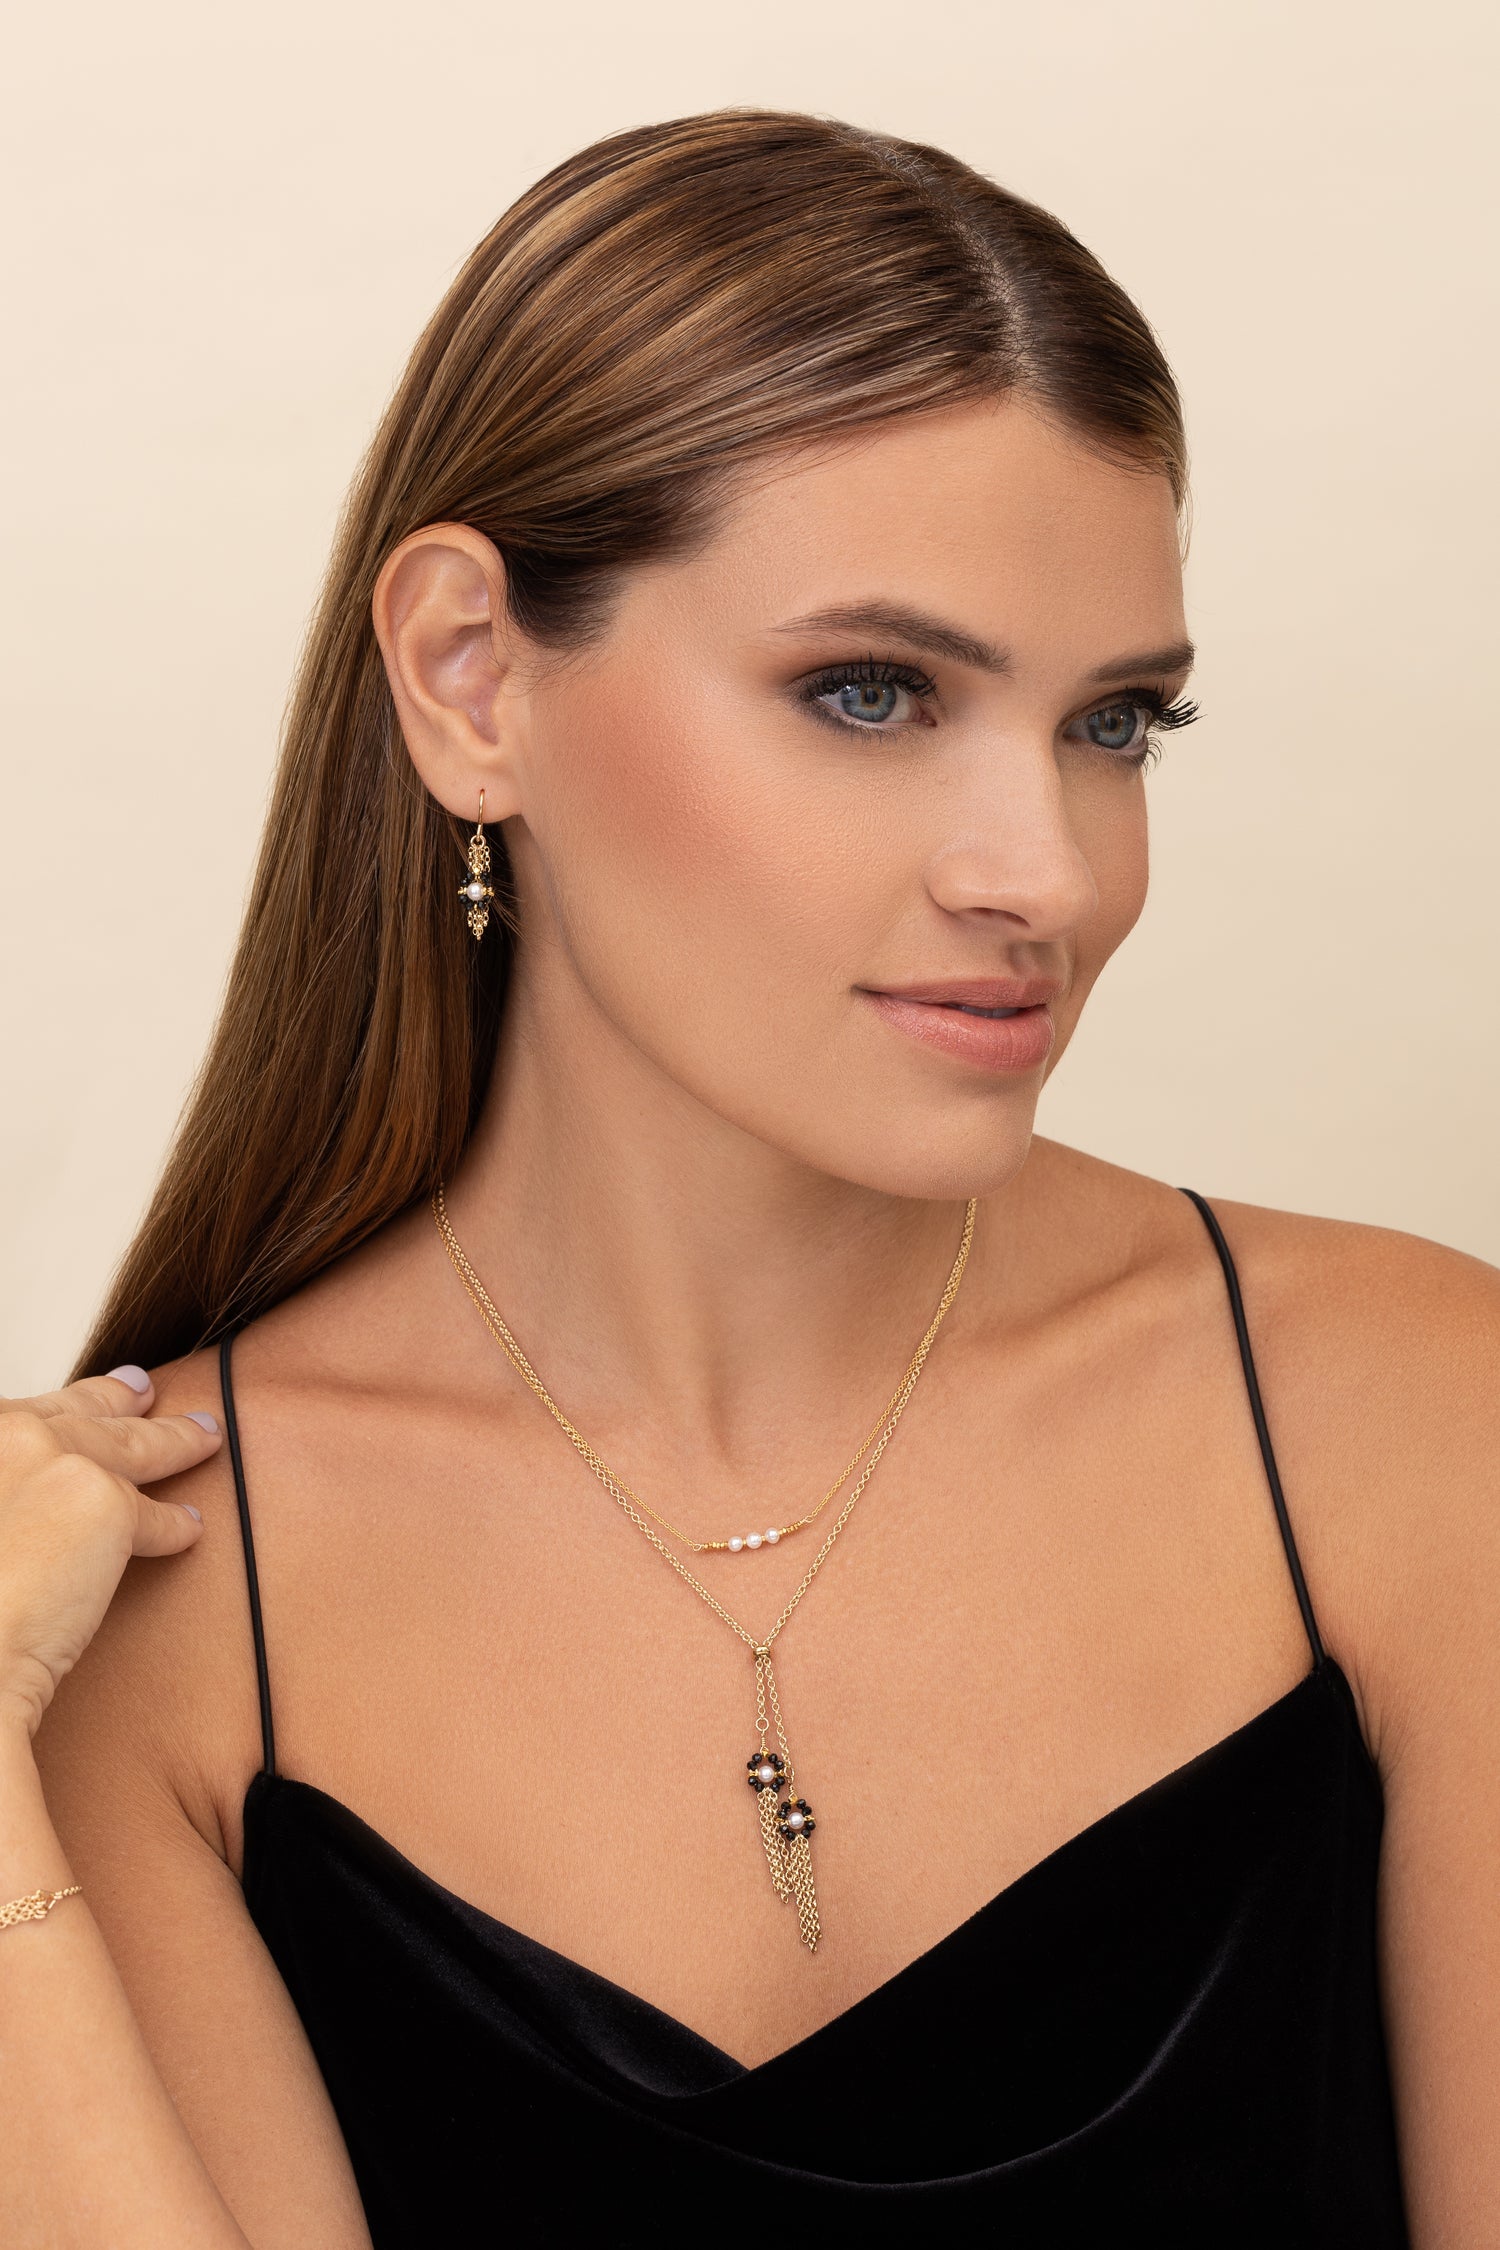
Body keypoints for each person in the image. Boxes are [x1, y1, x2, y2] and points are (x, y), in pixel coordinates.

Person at [0, 108, 1493, 2248]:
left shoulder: (1412, 1421)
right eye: (872, 692)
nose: (1048, 876)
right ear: (469, 678)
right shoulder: (149, 1605)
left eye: (1115, 726)